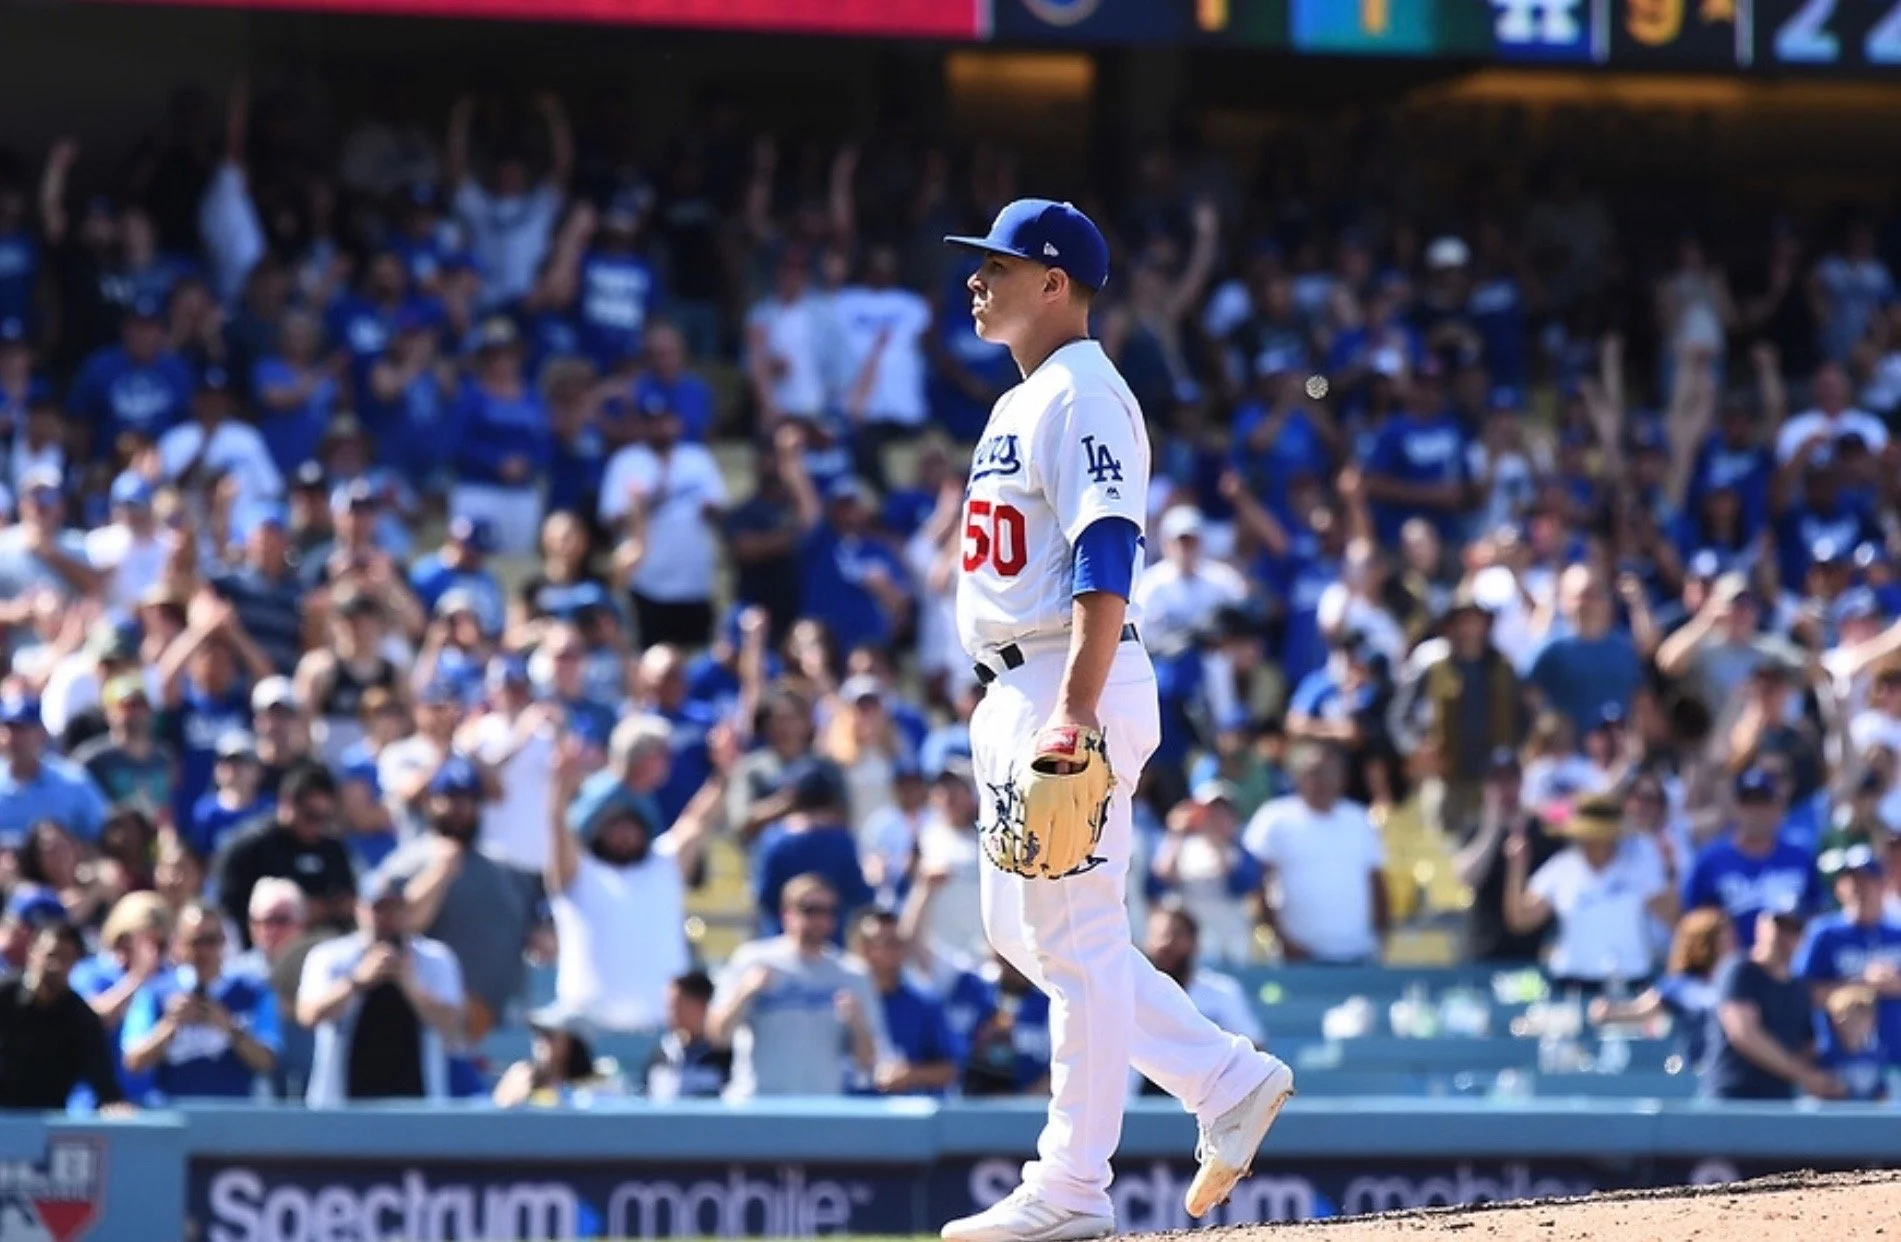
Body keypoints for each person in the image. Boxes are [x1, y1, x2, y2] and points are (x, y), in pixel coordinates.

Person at [935, 200, 1289, 1242]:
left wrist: (1074, 715)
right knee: (1022, 930)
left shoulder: (1085, 392)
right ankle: (1223, 1078)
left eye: (997, 264)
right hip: (1021, 680)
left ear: (1053, 282)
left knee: (1077, 938)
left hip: (1062, 678)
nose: (975, 279)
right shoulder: (1029, 395)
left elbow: (1105, 555)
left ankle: (1072, 1189)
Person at [547, 729, 726, 1032]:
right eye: (614, 827)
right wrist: (560, 786)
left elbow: (698, 819)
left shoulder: (664, 864)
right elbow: (557, 828)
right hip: (585, 1031)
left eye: (632, 827)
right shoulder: (578, 874)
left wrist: (724, 774)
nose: (625, 835)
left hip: (663, 1030)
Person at [373, 756, 537, 1044]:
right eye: (451, 798)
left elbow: (535, 926)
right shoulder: (403, 865)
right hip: (425, 1023)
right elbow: (401, 924)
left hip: (499, 1026)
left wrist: (542, 932)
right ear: (432, 802)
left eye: (469, 799)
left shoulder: (506, 869)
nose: (461, 809)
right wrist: (439, 873)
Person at [707, 873, 893, 1100]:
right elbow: (717, 1035)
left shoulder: (851, 973)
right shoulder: (753, 959)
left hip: (820, 1108)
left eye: (828, 911)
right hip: (757, 1104)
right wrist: (744, 994)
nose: (820, 919)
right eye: (810, 909)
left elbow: (870, 1063)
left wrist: (858, 1024)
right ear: (787, 914)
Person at [294, 872, 466, 1107]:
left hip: (419, 1105)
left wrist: (409, 984)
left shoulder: (436, 958)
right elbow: (308, 1015)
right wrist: (357, 982)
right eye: (379, 909)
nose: (387, 919)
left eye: (395, 909)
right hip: (343, 1107)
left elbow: (453, 1026)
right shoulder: (329, 957)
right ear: (360, 910)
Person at [1504, 794, 1674, 994]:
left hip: (1629, 988)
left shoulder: (1639, 867)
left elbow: (1673, 918)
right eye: (1587, 834)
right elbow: (1521, 919)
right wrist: (1517, 868)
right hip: (1573, 987)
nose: (1592, 841)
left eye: (1599, 834)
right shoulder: (1561, 868)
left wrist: (1668, 870)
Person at [1242, 742, 1389, 964]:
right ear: (1297, 776)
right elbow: (1256, 883)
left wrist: (1381, 934)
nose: (1322, 781)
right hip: (1297, 958)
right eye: (1314, 773)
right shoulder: (1274, 818)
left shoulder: (1359, 819)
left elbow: (1376, 882)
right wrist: (1281, 938)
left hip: (1359, 954)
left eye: (1330, 773)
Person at [119, 900, 278, 1101]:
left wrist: (229, 1027)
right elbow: (133, 1062)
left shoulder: (252, 991)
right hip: (174, 1114)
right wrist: (169, 1026)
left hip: (235, 1114)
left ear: (223, 942)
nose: (203, 951)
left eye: (210, 941)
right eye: (195, 941)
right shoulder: (155, 992)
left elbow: (267, 1062)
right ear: (178, 943)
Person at [1702, 899, 1843, 1102]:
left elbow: (1807, 1045)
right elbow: (1743, 1033)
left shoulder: (1798, 988)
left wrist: (1827, 1078)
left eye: (1793, 929)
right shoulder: (1740, 970)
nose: (1784, 936)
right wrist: (1803, 1075)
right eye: (1779, 926)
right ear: (1761, 926)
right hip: (1733, 1096)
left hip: (1778, 1100)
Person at [213, 762, 357, 945]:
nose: (317, 826)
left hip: (324, 949)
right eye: (310, 816)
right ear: (286, 802)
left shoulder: (333, 849)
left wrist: (326, 909)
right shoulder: (249, 848)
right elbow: (230, 911)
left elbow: (348, 900)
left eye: (324, 819)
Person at [0, 920, 127, 1110]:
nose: (55, 965)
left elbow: (104, 1083)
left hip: (49, 1125)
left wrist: (115, 1106)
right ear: (32, 952)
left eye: (65, 958)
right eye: (50, 955)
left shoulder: (81, 1018)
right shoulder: (4, 997)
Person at [852, 909, 961, 1096]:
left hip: (905, 1115)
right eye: (873, 943)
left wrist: (910, 1075)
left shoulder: (923, 1001)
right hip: (847, 1113)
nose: (889, 951)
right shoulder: (842, 998)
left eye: (895, 943)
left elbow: (951, 1069)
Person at [492, 1001, 602, 1108]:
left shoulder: (596, 1086)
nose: (540, 1040)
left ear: (572, 1044)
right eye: (537, 1032)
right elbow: (501, 1114)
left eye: (548, 1034)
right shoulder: (520, 1074)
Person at [644, 969, 732, 1101]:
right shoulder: (662, 1054)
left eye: (675, 1006)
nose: (670, 1014)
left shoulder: (728, 1054)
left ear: (700, 1004)